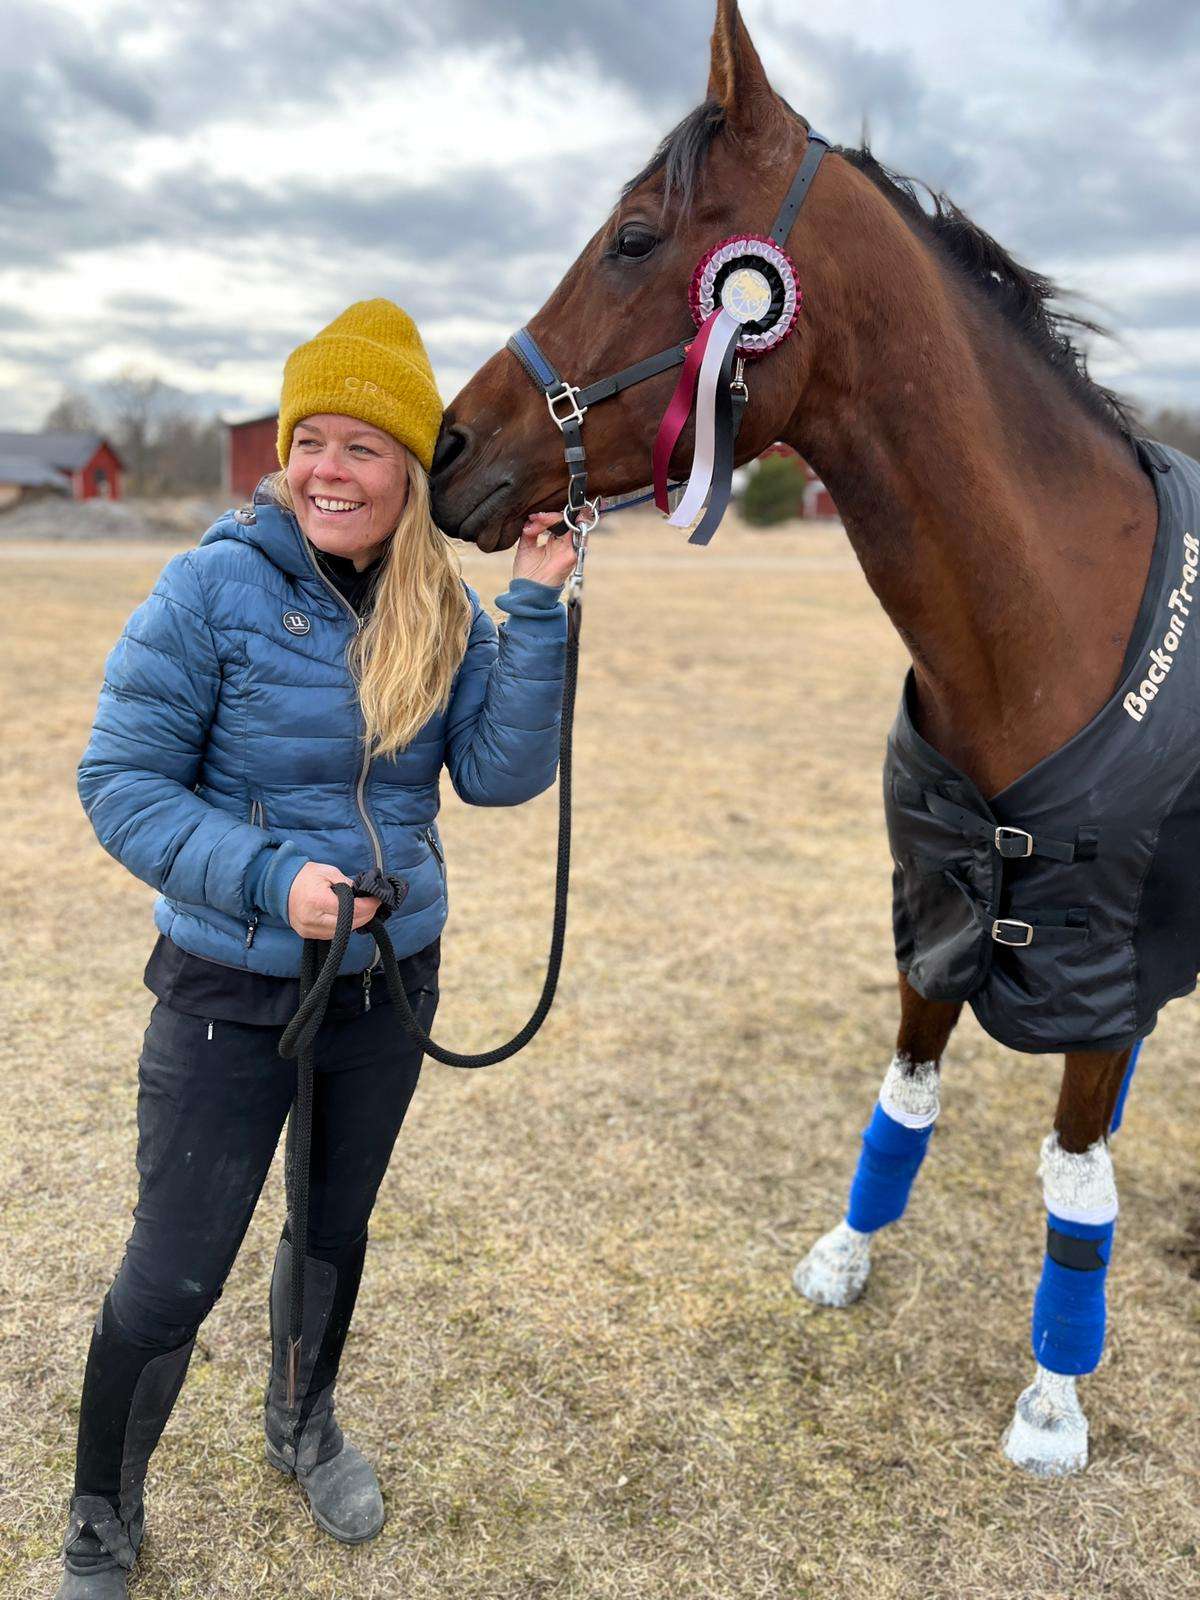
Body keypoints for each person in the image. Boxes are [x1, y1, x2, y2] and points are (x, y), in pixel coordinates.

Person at [57, 299, 577, 1597]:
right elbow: (120, 780)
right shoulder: (213, 586)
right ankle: (101, 1512)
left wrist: (542, 608)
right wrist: (272, 878)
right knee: (171, 1275)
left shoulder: (439, 607)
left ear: (409, 469)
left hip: (389, 983)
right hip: (232, 989)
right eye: (312, 442)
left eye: (364, 447)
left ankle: (300, 1424)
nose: (330, 470)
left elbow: (505, 775)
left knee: (332, 1233)